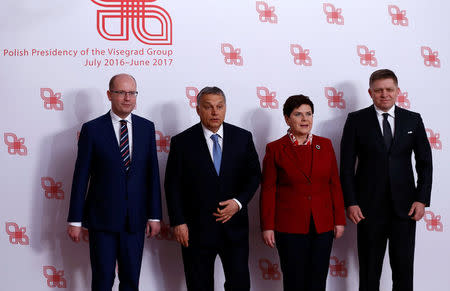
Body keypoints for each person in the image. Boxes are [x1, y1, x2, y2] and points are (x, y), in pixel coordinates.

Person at [67, 74, 162, 291]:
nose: (127, 98)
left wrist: (155, 215)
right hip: (102, 221)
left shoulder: (147, 128)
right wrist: (75, 219)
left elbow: (152, 175)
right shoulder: (92, 129)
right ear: (109, 95)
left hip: (135, 221)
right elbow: (81, 176)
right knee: (102, 280)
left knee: (130, 281)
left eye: (132, 93)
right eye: (121, 92)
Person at [340, 69, 433, 291]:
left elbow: (425, 164)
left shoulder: (413, 119)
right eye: (379, 90)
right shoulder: (356, 120)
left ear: (398, 91)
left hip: (406, 209)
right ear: (370, 92)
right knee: (369, 271)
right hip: (368, 209)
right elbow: (345, 166)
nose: (384, 94)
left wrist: (422, 200)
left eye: (389, 89)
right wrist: (351, 202)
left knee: (403, 270)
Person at [164, 86, 261, 291]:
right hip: (196, 229)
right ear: (198, 109)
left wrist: (238, 203)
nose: (215, 112)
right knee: (199, 285)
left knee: (239, 285)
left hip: (234, 228)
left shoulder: (243, 137)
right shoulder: (182, 142)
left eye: (219, 106)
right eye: (208, 107)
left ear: (225, 108)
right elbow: (172, 185)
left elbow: (254, 176)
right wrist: (178, 221)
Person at [260, 94, 346, 291]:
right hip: (289, 227)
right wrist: (268, 226)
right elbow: (268, 190)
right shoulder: (275, 149)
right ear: (287, 118)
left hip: (322, 225)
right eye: (298, 114)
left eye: (309, 114)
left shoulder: (325, 145)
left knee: (318, 280)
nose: (305, 119)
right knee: (294, 280)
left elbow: (334, 184)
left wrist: (339, 219)